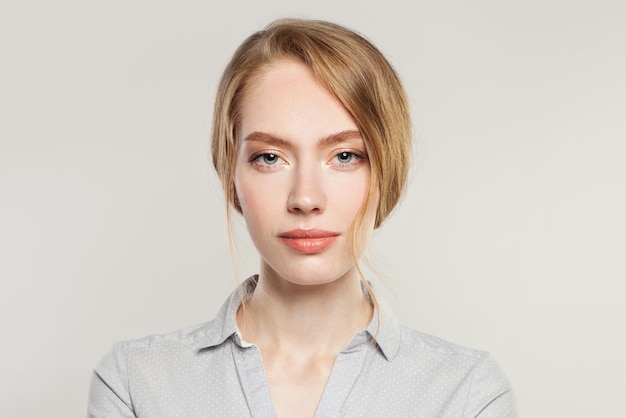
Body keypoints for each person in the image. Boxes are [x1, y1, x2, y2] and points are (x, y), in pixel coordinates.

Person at [87, 18, 516, 417]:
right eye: (270, 157)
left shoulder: (466, 394)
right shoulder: (136, 383)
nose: (306, 198)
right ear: (231, 173)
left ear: (387, 170)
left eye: (345, 156)